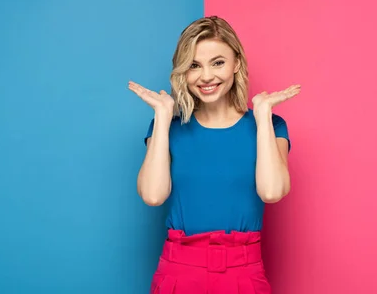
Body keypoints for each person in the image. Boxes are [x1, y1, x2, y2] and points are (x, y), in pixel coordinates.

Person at [128, 16, 300, 293]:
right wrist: (162, 116)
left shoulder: (270, 126)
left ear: (237, 65)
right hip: (178, 272)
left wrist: (263, 114)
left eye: (218, 62)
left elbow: (272, 191)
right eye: (194, 65)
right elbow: (152, 195)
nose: (206, 76)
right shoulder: (167, 128)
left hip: (244, 273)